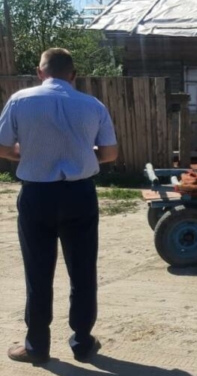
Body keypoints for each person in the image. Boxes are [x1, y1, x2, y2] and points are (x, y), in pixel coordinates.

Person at [0, 48, 118, 364]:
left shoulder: (20, 101)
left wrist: (27, 155)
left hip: (37, 196)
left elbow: (1, 147)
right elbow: (109, 154)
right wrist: (81, 154)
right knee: (83, 271)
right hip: (80, 194)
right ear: (73, 74)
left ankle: (37, 346)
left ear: (40, 73)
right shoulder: (92, 105)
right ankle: (82, 342)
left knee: (37, 272)